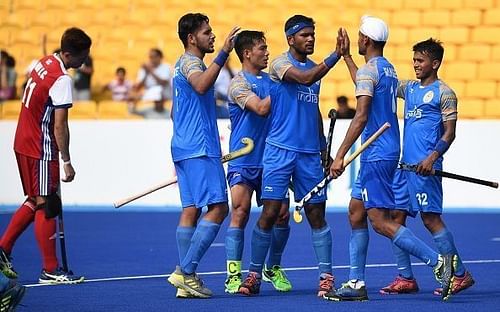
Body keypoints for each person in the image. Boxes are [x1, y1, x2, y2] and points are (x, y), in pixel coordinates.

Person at [323, 16, 455, 302]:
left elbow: (361, 115)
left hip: (377, 153)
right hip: (386, 149)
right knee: (356, 212)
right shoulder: (387, 69)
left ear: (366, 40)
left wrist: (340, 155)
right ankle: (356, 283)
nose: (357, 40)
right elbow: (364, 83)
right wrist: (346, 58)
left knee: (379, 221)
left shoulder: (371, 71)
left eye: (359, 37)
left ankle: (438, 262)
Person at [238, 14, 342, 297]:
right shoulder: (280, 64)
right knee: (270, 212)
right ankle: (254, 275)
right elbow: (307, 78)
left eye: (312, 34)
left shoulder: (314, 70)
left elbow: (314, 113)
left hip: (309, 155)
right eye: (304, 34)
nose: (310, 39)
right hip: (279, 151)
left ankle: (326, 277)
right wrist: (336, 55)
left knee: (316, 214)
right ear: (290, 38)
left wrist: (325, 150)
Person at [380, 38, 474, 296]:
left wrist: (432, 158)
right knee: (396, 218)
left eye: (420, 61)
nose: (415, 65)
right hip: (405, 168)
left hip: (426, 169)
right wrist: (350, 60)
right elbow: (378, 82)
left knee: (430, 219)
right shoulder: (409, 88)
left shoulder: (445, 93)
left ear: (435, 63)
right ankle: (406, 278)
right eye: (414, 60)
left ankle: (460, 274)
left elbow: (450, 133)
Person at [0, 27, 91, 284]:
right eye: (81, 56)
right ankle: (50, 269)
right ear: (67, 53)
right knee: (48, 204)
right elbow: (59, 126)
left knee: (35, 199)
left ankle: (3, 249)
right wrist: (67, 161)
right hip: (40, 146)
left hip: (22, 140)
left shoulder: (45, 62)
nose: (84, 60)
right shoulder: (62, 80)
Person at [166, 13, 239, 299]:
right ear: (191, 38)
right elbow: (201, 85)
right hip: (200, 147)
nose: (212, 35)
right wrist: (224, 52)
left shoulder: (178, 65)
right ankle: (185, 271)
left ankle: (188, 281)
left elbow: (175, 111)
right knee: (219, 208)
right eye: (207, 32)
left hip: (183, 146)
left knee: (191, 209)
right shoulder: (192, 62)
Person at [223, 30, 292, 294]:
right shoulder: (239, 84)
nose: (267, 53)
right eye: (262, 48)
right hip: (244, 161)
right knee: (239, 213)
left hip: (274, 160)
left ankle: (272, 266)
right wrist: (284, 86)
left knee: (282, 216)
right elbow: (261, 108)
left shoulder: (271, 81)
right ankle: (233, 275)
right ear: (247, 53)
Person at [134, 48, 172, 116]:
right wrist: (146, 73)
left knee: (158, 91)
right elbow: (138, 87)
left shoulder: (166, 67)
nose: (152, 59)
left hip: (162, 94)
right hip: (149, 94)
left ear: (160, 57)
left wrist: (150, 71)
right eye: (150, 57)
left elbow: (163, 82)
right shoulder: (145, 68)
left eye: (154, 57)